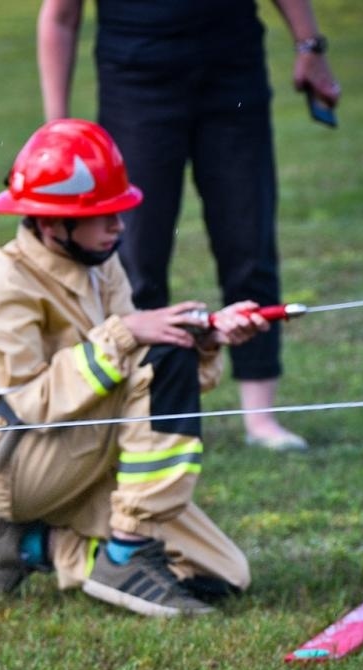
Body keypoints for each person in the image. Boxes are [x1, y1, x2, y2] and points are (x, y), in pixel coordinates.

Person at [0, 120, 268, 618]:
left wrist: (204, 341)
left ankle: (37, 545)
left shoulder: (100, 262)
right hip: (15, 460)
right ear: (52, 224)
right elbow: (33, 402)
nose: (119, 225)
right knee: (161, 356)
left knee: (222, 576)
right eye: (103, 215)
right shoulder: (2, 284)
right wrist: (129, 334)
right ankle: (126, 551)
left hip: (89, 443)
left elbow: (149, 379)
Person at [36, 0, 340, 451]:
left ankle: (260, 420)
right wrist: (57, 127)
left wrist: (309, 44)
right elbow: (60, 16)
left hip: (231, 67)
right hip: (136, 77)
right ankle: (146, 415)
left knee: (247, 237)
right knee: (135, 255)